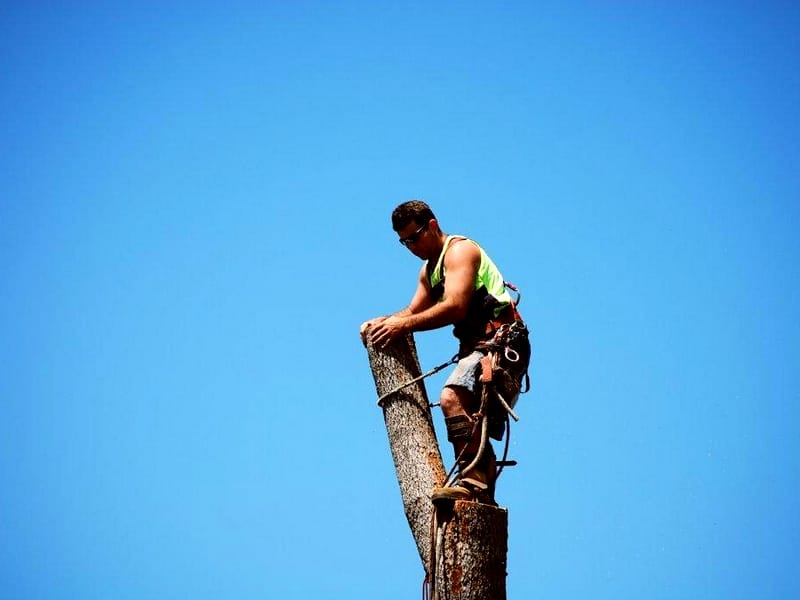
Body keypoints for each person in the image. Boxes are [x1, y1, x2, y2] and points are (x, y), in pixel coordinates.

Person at [360, 200, 530, 505]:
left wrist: (401, 326)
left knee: (452, 397)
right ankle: (477, 482)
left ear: (433, 226)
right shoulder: (429, 271)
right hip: (477, 348)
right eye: (404, 242)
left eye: (415, 237)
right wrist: (383, 322)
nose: (411, 247)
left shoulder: (460, 252)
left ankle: (475, 482)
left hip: (501, 343)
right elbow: (412, 311)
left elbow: (455, 306)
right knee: (460, 403)